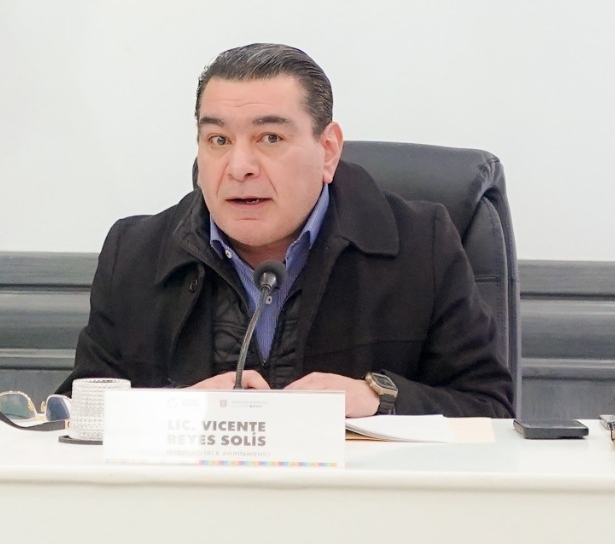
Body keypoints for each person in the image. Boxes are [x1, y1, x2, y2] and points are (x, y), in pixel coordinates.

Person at [70, 42, 512, 417]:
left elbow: (490, 407)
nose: (239, 167)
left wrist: (378, 396)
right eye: (218, 140)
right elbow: (79, 413)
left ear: (328, 151)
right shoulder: (135, 254)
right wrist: (176, 410)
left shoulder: (421, 246)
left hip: (358, 511)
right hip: (192, 512)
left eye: (270, 139)